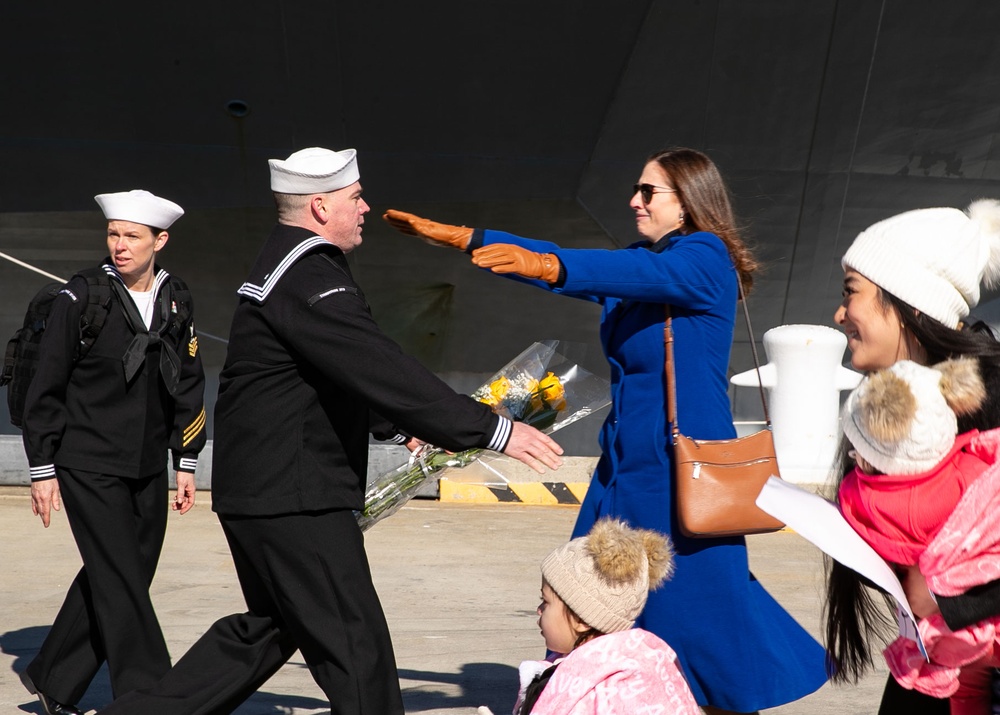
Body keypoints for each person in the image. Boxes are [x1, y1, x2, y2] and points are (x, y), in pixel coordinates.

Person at [96, 147, 564, 715]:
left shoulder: (289, 263)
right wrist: (490, 429)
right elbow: (373, 361)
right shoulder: (308, 271)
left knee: (270, 629)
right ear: (320, 207)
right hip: (293, 493)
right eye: (355, 196)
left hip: (266, 488)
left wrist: (397, 428)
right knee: (353, 639)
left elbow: (324, 369)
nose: (366, 207)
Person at [383, 147, 829, 713]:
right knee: (588, 589)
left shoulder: (704, 257)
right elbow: (580, 263)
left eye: (649, 192)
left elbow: (619, 271)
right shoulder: (646, 262)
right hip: (624, 461)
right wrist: (471, 237)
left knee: (699, 600)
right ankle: (603, 693)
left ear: (689, 201)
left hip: (680, 465)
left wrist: (551, 267)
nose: (634, 201)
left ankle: (722, 698)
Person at [19, 190, 207, 715]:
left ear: (159, 241)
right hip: (87, 461)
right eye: (113, 234)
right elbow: (45, 385)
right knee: (121, 575)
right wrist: (42, 468)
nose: (120, 246)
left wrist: (185, 460)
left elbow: (189, 383)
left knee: (124, 571)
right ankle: (151, 696)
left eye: (132, 236)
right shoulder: (82, 296)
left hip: (146, 463)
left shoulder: (177, 298)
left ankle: (53, 678)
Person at [828, 199, 1000, 714]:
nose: (839, 314)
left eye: (851, 293)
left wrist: (949, 596)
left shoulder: (989, 396)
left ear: (909, 304)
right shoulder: (895, 400)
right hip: (930, 661)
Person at [837, 357, 1000, 714]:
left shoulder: (878, 501)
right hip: (976, 631)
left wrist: (942, 597)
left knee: (966, 688)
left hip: (960, 636)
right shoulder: (972, 464)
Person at [480, 517, 700, 715]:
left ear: (582, 620)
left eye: (545, 602)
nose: (538, 610)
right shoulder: (648, 664)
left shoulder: (588, 693)